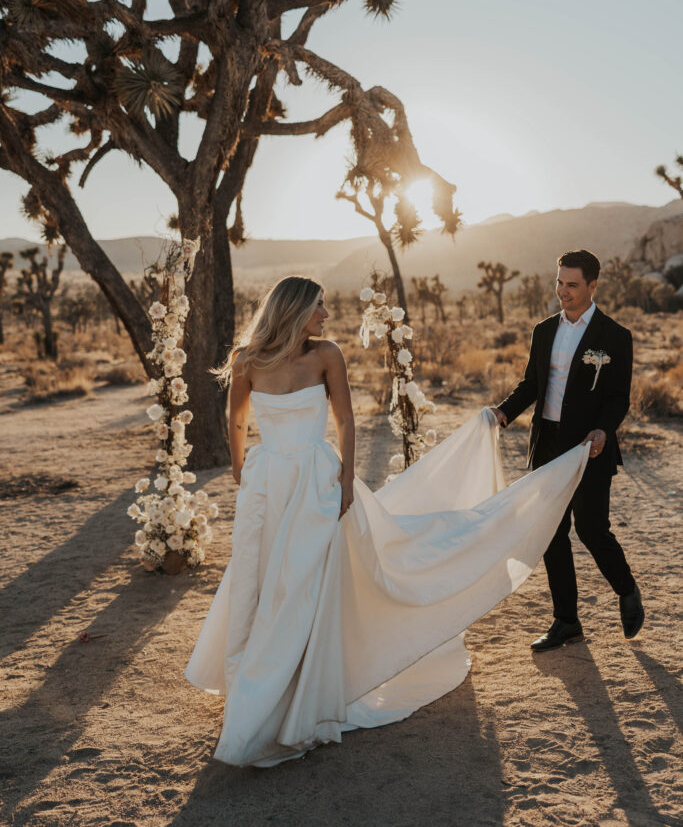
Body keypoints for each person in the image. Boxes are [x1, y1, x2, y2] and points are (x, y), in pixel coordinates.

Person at [185, 276, 591, 767]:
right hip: (267, 485)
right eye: (319, 306)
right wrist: (239, 467)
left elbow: (345, 420)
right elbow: (235, 417)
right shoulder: (246, 359)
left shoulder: (326, 354)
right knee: (259, 577)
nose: (327, 316)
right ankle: (261, 685)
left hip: (315, 481)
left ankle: (292, 694)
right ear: (293, 311)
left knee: (304, 584)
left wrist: (345, 477)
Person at [491, 249, 644, 652]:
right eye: (559, 283)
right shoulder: (544, 331)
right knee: (552, 533)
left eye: (572, 285)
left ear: (593, 286)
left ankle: (626, 589)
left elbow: (618, 399)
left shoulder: (615, 337)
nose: (563, 292)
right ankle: (566, 621)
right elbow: (531, 384)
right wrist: (503, 412)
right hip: (548, 444)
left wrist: (603, 431)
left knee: (592, 529)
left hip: (588, 446)